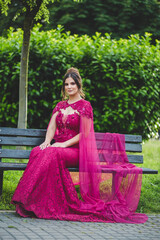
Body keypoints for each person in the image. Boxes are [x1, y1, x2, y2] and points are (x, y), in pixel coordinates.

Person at [11, 67, 148, 223]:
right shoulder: (60, 105)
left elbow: (85, 133)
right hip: (58, 148)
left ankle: (27, 198)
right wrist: (47, 141)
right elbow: (51, 127)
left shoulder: (85, 106)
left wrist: (63, 145)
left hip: (75, 151)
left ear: (78, 86)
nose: (69, 87)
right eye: (66, 84)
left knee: (52, 153)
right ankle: (31, 201)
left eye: (72, 84)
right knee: (37, 151)